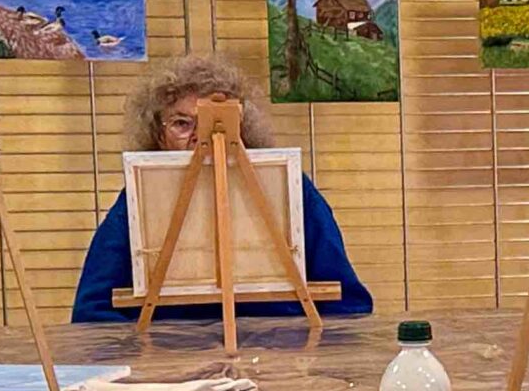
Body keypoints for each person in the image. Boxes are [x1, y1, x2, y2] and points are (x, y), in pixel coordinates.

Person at [73, 54, 373, 321]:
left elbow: (348, 302)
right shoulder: (140, 197)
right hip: (172, 362)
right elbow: (93, 310)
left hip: (279, 353)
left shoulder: (288, 188)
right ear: (158, 135)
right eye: (182, 123)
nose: (200, 136)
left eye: (217, 123)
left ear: (242, 126)